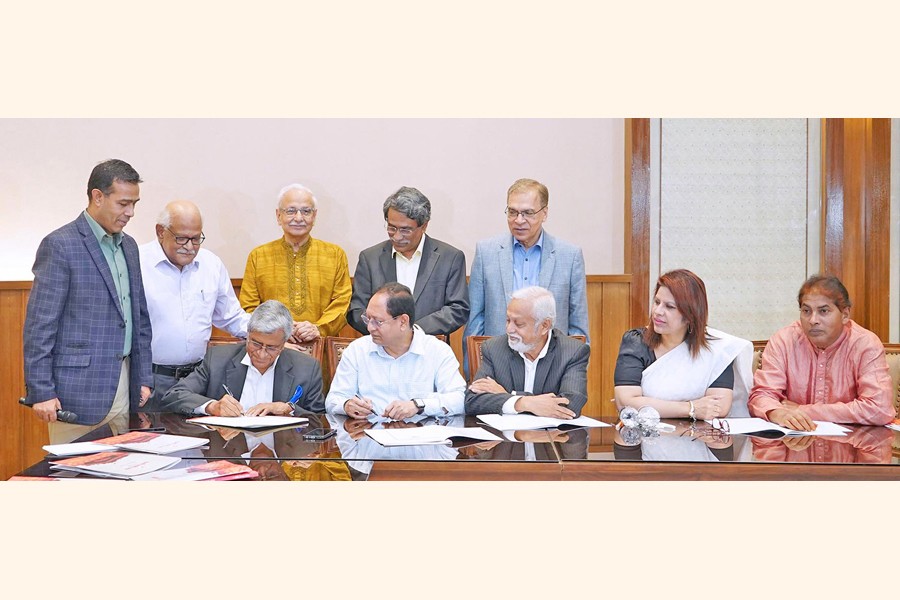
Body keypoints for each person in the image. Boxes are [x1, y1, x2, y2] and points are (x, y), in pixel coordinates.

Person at [23, 159, 153, 444]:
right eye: (123, 203)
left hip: (126, 386)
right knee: (76, 481)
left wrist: (143, 376)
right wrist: (41, 391)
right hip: (77, 395)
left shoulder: (129, 246)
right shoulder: (60, 245)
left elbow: (138, 317)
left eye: (135, 204)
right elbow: (39, 326)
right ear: (97, 196)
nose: (130, 212)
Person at [140, 200, 250, 407]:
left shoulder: (211, 264)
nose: (190, 247)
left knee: (199, 438)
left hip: (198, 378)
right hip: (150, 380)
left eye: (196, 239)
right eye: (182, 238)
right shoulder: (137, 262)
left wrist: (272, 332)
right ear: (160, 232)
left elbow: (233, 318)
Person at [749, 274, 895, 430]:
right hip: (794, 446)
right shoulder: (784, 340)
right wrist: (778, 413)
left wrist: (802, 410)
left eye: (823, 311)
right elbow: (761, 396)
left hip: (852, 447)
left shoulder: (865, 344)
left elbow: (879, 409)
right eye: (806, 311)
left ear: (845, 315)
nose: (813, 320)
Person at [613, 269, 753, 420]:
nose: (657, 311)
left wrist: (650, 404)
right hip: (646, 436)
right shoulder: (636, 342)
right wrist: (690, 408)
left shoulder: (717, 350)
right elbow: (626, 402)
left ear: (690, 315)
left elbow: (718, 407)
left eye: (670, 307)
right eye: (657, 302)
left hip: (701, 438)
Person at [464, 178, 589, 345]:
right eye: (512, 212)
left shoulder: (569, 256)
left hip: (552, 361)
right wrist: (474, 367)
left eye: (528, 213)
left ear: (544, 213)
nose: (519, 220)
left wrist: (576, 369)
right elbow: (475, 320)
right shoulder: (486, 252)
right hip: (499, 358)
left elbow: (578, 324)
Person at [325, 283, 466, 419]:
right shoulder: (357, 350)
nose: (370, 328)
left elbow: (459, 400)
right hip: (368, 436)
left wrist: (418, 405)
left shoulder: (437, 351)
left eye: (378, 321)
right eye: (368, 319)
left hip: (419, 437)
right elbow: (333, 399)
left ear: (403, 322)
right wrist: (346, 405)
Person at [160, 300, 324, 416]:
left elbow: (320, 420)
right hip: (230, 453)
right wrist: (212, 406)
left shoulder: (307, 368)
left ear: (284, 344)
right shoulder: (218, 359)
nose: (261, 353)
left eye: (271, 348)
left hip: (280, 454)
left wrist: (289, 409)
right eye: (256, 343)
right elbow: (175, 395)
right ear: (248, 335)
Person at [347, 186, 469, 338]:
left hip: (430, 349)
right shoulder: (370, 258)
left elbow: (458, 309)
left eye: (405, 230)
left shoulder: (449, 258)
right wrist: (383, 328)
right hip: (379, 350)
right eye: (392, 228)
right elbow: (356, 310)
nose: (397, 237)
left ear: (424, 225)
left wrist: (412, 330)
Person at [240, 183, 352, 342]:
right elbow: (249, 307)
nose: (298, 218)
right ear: (278, 216)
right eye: (291, 211)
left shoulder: (335, 255)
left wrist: (317, 328)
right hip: (271, 347)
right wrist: (279, 330)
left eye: (306, 211)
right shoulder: (258, 256)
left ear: (314, 216)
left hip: (321, 346)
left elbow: (342, 303)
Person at [465, 286, 590, 417]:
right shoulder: (493, 348)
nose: (509, 329)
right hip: (505, 436)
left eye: (519, 324)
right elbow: (472, 401)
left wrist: (511, 396)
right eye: (508, 320)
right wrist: (523, 403)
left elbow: (570, 405)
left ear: (544, 326)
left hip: (553, 436)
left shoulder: (573, 352)